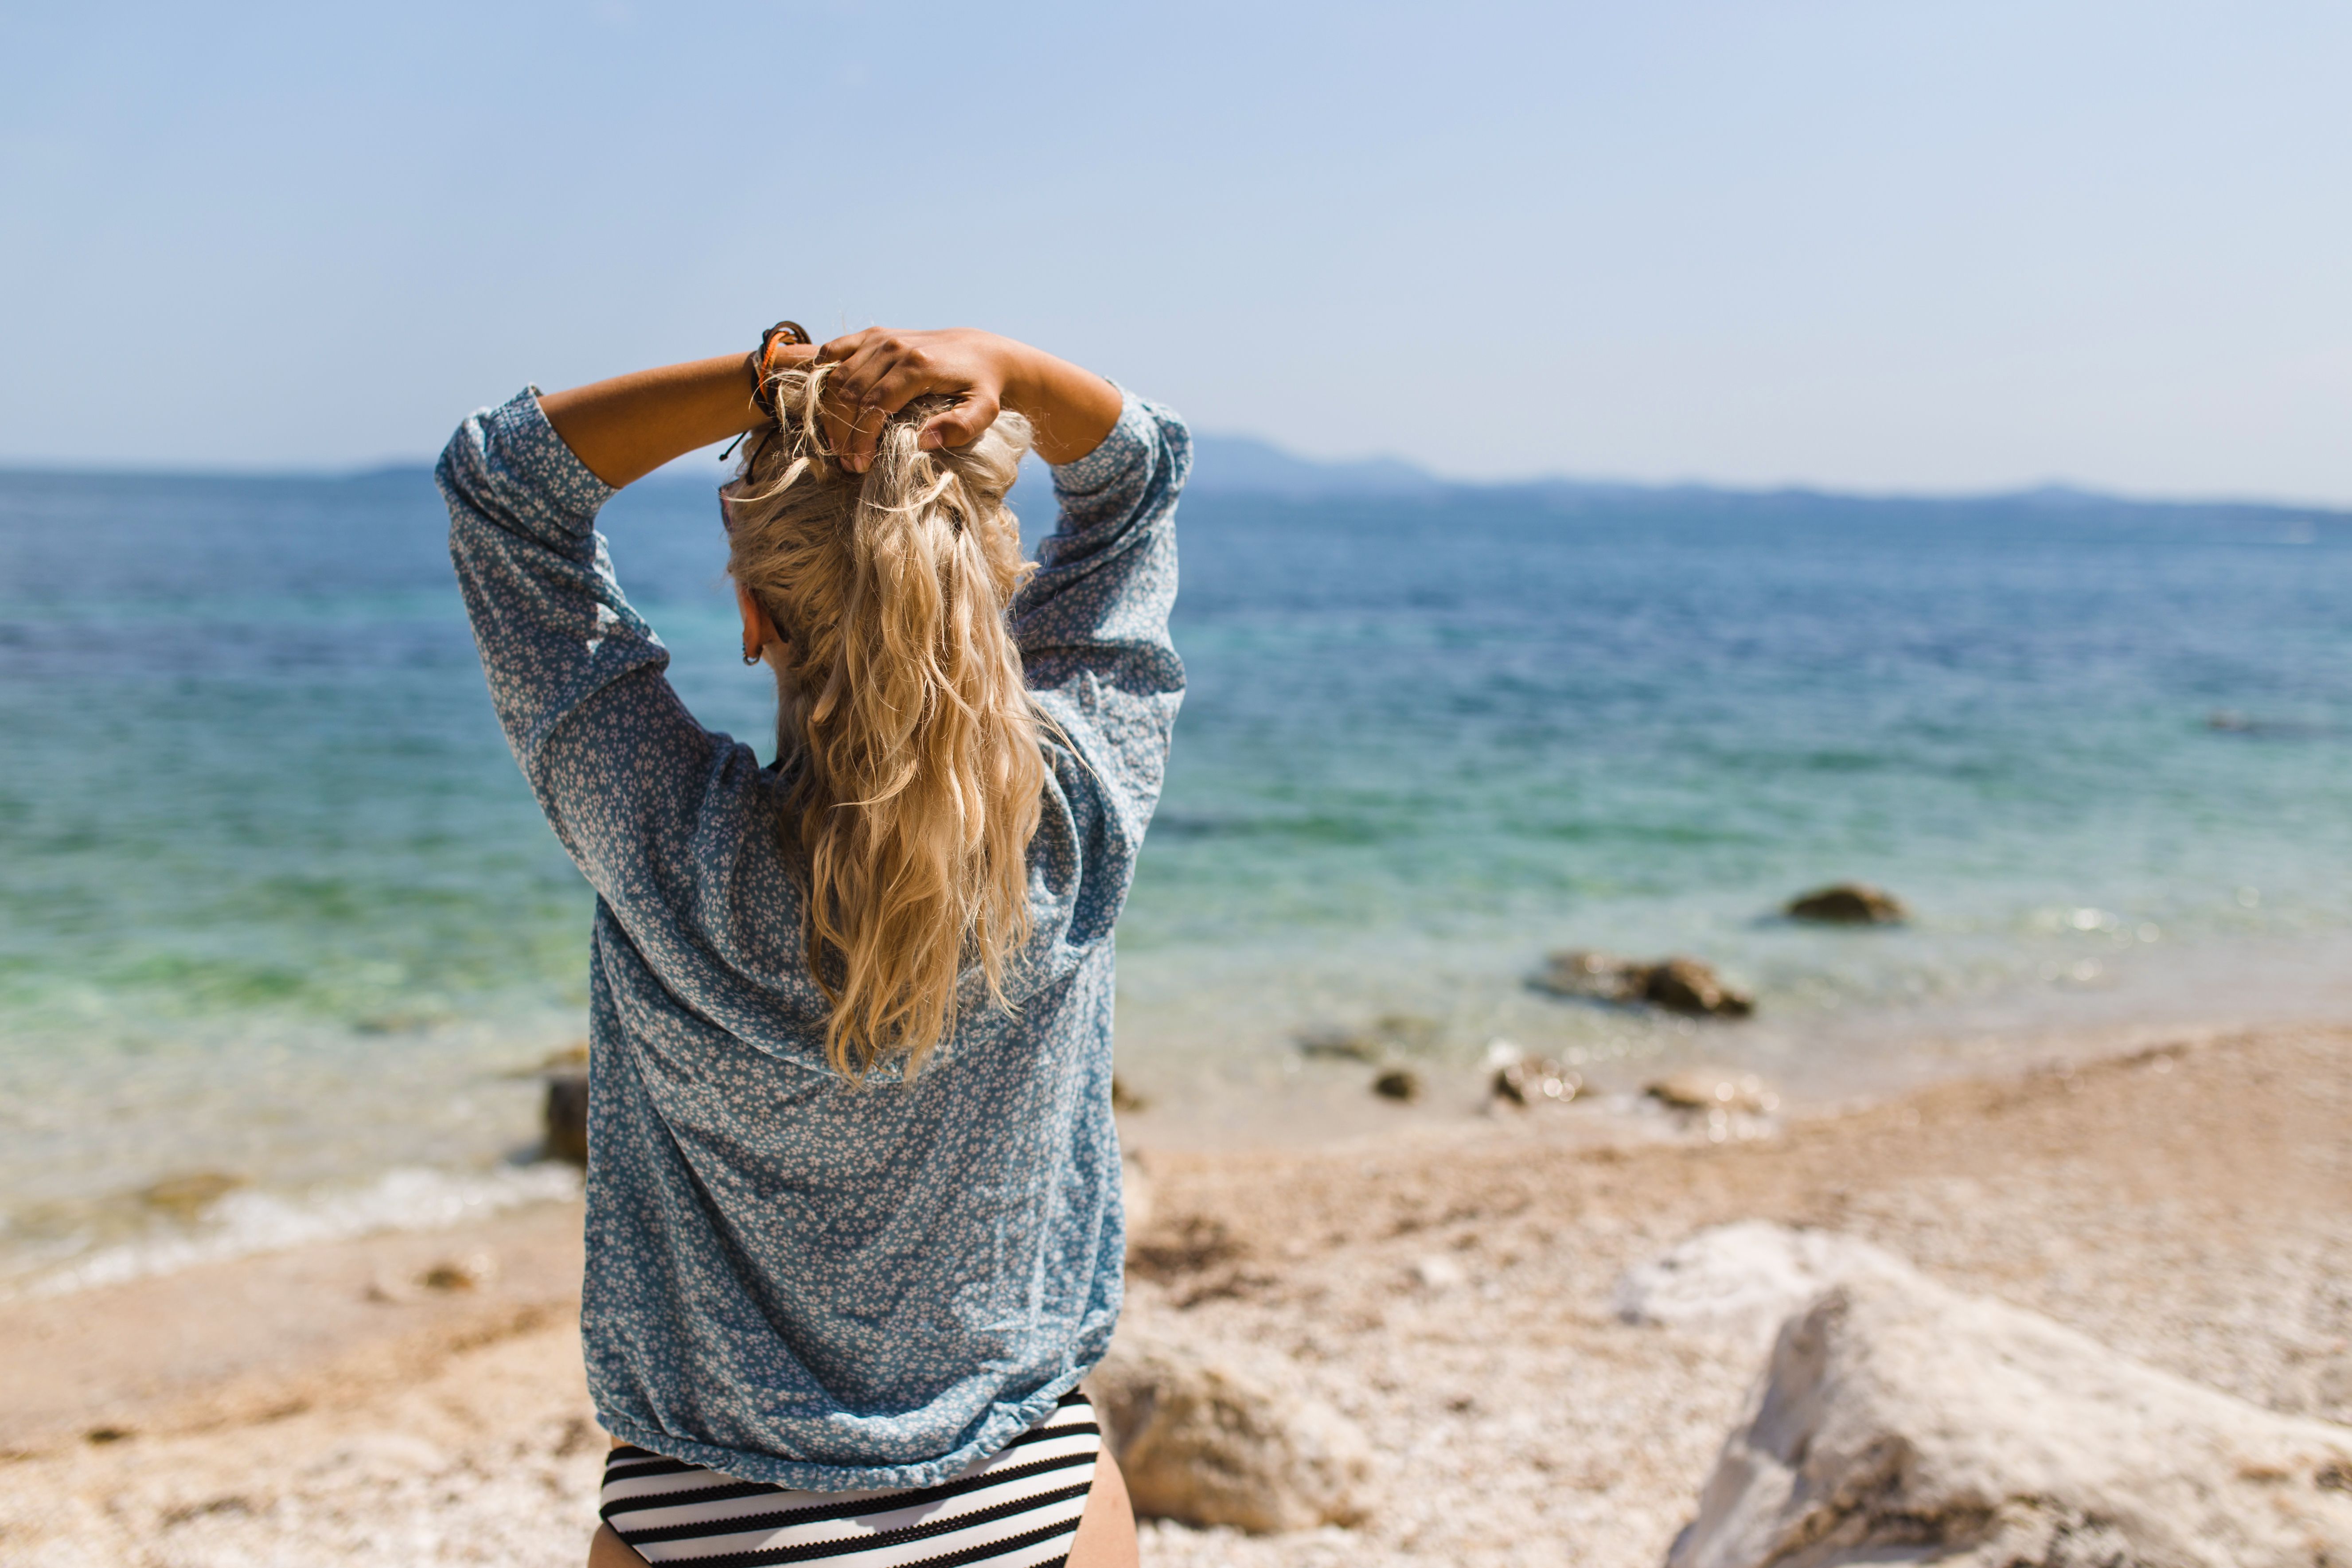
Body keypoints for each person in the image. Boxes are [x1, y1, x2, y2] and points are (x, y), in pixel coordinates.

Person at [437, 325, 1189, 1567]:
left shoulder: (665, 842)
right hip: (1027, 1505)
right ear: (982, 587)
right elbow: (1135, 485)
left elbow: (502, 490)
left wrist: (764, 376)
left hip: (702, 1517)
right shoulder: (1068, 826)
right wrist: (1010, 365)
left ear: (750, 617)